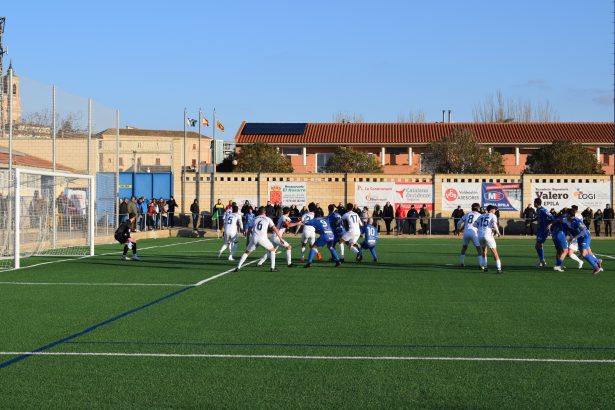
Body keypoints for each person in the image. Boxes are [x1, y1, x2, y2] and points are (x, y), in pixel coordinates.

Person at [234, 206, 284, 272]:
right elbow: (275, 229)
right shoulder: (268, 219)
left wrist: (248, 240)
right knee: (272, 250)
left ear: (259, 212)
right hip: (263, 239)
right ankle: (272, 268)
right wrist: (280, 238)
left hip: (254, 238)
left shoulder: (254, 218)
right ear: (265, 212)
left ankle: (238, 267)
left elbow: (249, 230)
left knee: (247, 252)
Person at [565, 208, 603, 274]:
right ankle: (597, 261)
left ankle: (596, 267)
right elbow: (574, 231)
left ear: (569, 214)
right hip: (580, 239)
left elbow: (583, 231)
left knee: (584, 254)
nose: (566, 215)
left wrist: (575, 237)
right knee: (583, 254)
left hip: (585, 237)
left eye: (566, 214)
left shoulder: (577, 221)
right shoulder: (570, 221)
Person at [473, 205, 502, 273]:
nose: (495, 211)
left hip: (480, 235)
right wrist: (498, 232)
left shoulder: (481, 216)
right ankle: (499, 268)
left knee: (484, 251)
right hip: (488, 235)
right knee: (494, 252)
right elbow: (494, 224)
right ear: (491, 210)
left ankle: (485, 267)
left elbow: (474, 224)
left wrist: (481, 227)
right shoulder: (492, 215)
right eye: (494, 209)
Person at [457, 203, 482, 268]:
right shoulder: (479, 215)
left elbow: (459, 222)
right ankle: (480, 264)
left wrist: (458, 230)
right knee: (478, 248)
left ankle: (462, 263)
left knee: (464, 247)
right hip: (474, 232)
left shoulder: (467, 214)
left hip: (466, 232)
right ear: (478, 208)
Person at [533, 197, 553, 268]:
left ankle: (542, 261)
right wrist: (532, 221)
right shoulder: (538, 210)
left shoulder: (543, 210)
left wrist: (550, 224)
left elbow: (552, 218)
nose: (533, 204)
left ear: (535, 203)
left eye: (534, 203)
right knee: (539, 245)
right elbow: (538, 218)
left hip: (544, 230)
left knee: (538, 245)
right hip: (540, 230)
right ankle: (542, 261)